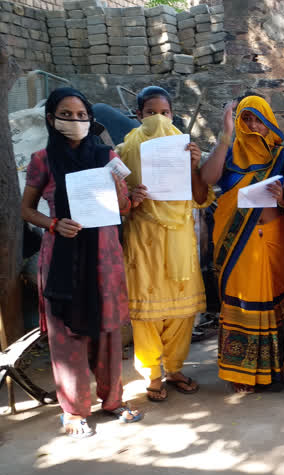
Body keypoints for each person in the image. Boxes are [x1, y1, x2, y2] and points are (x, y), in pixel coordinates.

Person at [20, 87, 142, 438]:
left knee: (107, 331)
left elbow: (122, 208)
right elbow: (27, 209)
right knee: (67, 335)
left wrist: (128, 192)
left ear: (91, 120)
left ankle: (112, 400)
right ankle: (73, 411)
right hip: (62, 256)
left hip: (104, 257)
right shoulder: (42, 159)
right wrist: (54, 224)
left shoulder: (106, 155)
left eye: (82, 116)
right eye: (67, 115)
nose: (76, 121)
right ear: (51, 119)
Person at [119, 86, 213, 402]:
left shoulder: (184, 147)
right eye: (150, 113)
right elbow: (115, 201)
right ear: (138, 115)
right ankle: (152, 374)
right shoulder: (124, 151)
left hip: (180, 239)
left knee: (182, 313)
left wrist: (194, 165)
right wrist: (131, 198)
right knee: (147, 315)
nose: (159, 120)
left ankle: (174, 368)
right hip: (144, 241)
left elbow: (201, 197)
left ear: (172, 114)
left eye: (165, 113)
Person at [199, 95, 284, 393]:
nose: (253, 125)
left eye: (258, 119)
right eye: (246, 119)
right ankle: (240, 372)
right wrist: (225, 136)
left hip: (274, 238)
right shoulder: (229, 153)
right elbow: (206, 179)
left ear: (269, 123)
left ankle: (273, 367)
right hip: (237, 241)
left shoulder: (282, 155)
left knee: (273, 300)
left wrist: (283, 196)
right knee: (242, 301)